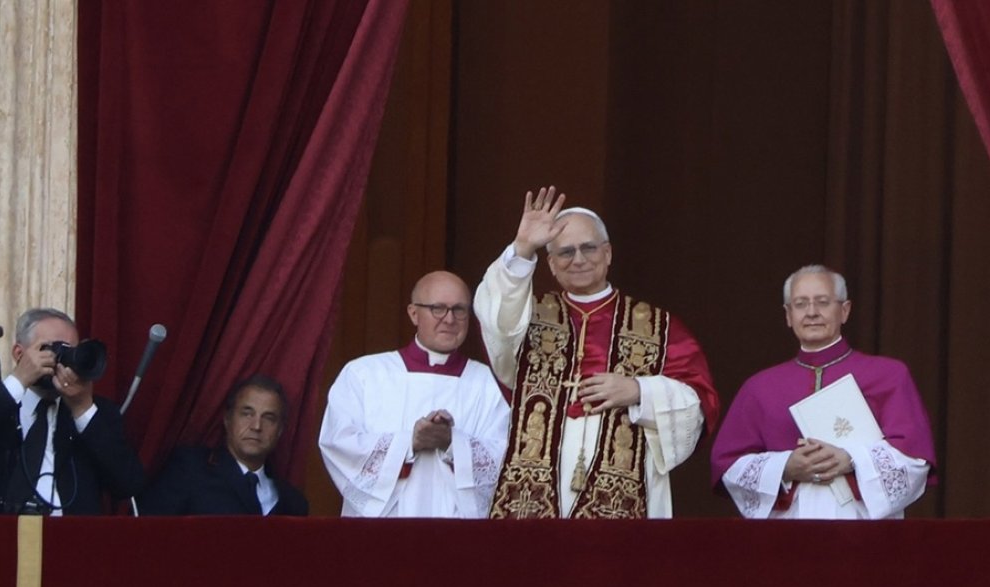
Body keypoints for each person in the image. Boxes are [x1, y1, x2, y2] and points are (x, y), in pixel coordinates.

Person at [475, 187, 718, 518]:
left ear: (608, 253)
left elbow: (700, 401)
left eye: (588, 248)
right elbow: (496, 322)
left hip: (626, 489)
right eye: (565, 252)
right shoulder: (528, 316)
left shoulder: (658, 325)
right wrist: (522, 248)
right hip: (534, 487)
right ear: (551, 264)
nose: (578, 259)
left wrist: (638, 390)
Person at [710, 265, 933, 518]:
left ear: (844, 310)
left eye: (823, 302)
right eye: (801, 304)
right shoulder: (759, 387)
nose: (812, 312)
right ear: (788, 314)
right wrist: (785, 467)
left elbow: (914, 459)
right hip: (786, 531)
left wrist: (850, 458)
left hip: (862, 526)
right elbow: (727, 465)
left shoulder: (888, 375)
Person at [319, 270, 510, 517]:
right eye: (438, 308)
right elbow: (338, 443)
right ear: (413, 314)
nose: (449, 319)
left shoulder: (488, 382)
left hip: (458, 535)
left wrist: (452, 443)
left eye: (459, 310)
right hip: (383, 532)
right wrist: (409, 442)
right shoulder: (364, 374)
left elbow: (506, 457)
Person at [0, 308, 144, 516]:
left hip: (71, 540)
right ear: (19, 354)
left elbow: (128, 483)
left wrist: (81, 409)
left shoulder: (97, 412)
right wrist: (18, 381)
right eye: (50, 350)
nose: (60, 361)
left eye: (69, 353)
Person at [139, 375, 307, 516]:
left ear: (280, 430)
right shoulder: (189, 470)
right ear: (227, 420)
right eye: (246, 414)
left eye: (269, 418)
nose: (256, 426)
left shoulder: (293, 503)